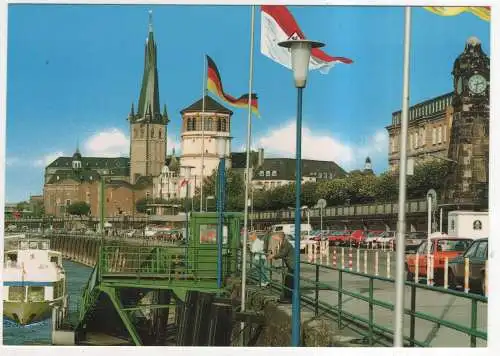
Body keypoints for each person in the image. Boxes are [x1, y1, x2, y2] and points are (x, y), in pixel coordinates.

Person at [267, 232, 295, 304]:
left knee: (289, 281)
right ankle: (287, 297)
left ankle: (289, 298)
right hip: (291, 266)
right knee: (288, 281)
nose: (274, 239)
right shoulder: (283, 243)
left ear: (279, 237)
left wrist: (273, 256)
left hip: (293, 266)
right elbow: (281, 253)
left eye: (275, 238)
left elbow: (283, 253)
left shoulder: (286, 244)